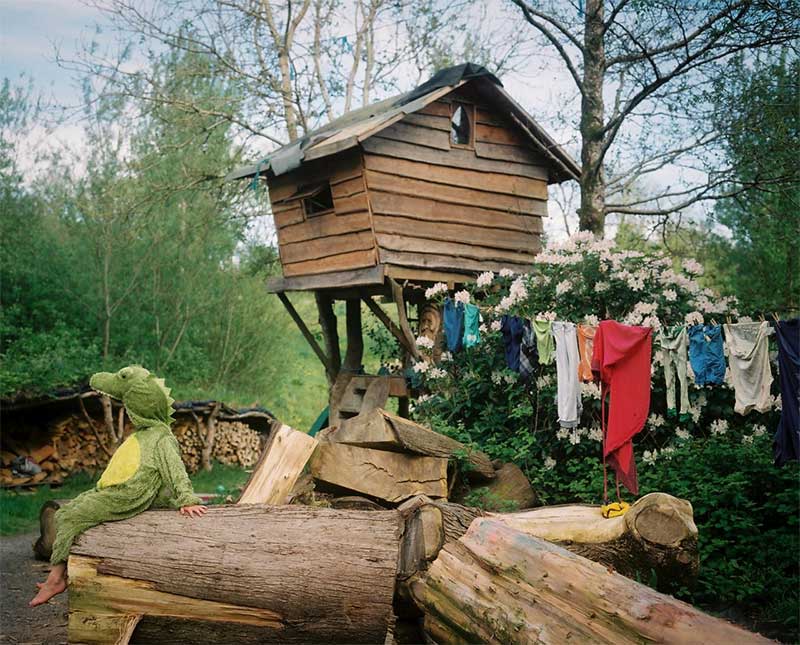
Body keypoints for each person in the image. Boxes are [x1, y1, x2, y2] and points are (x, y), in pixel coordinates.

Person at [30, 366, 207, 607]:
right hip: (111, 491)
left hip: (126, 496)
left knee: (70, 516)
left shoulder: (162, 437)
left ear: (138, 402)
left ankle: (56, 578)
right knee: (74, 506)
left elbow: (174, 469)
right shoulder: (143, 434)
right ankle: (68, 569)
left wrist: (186, 498)